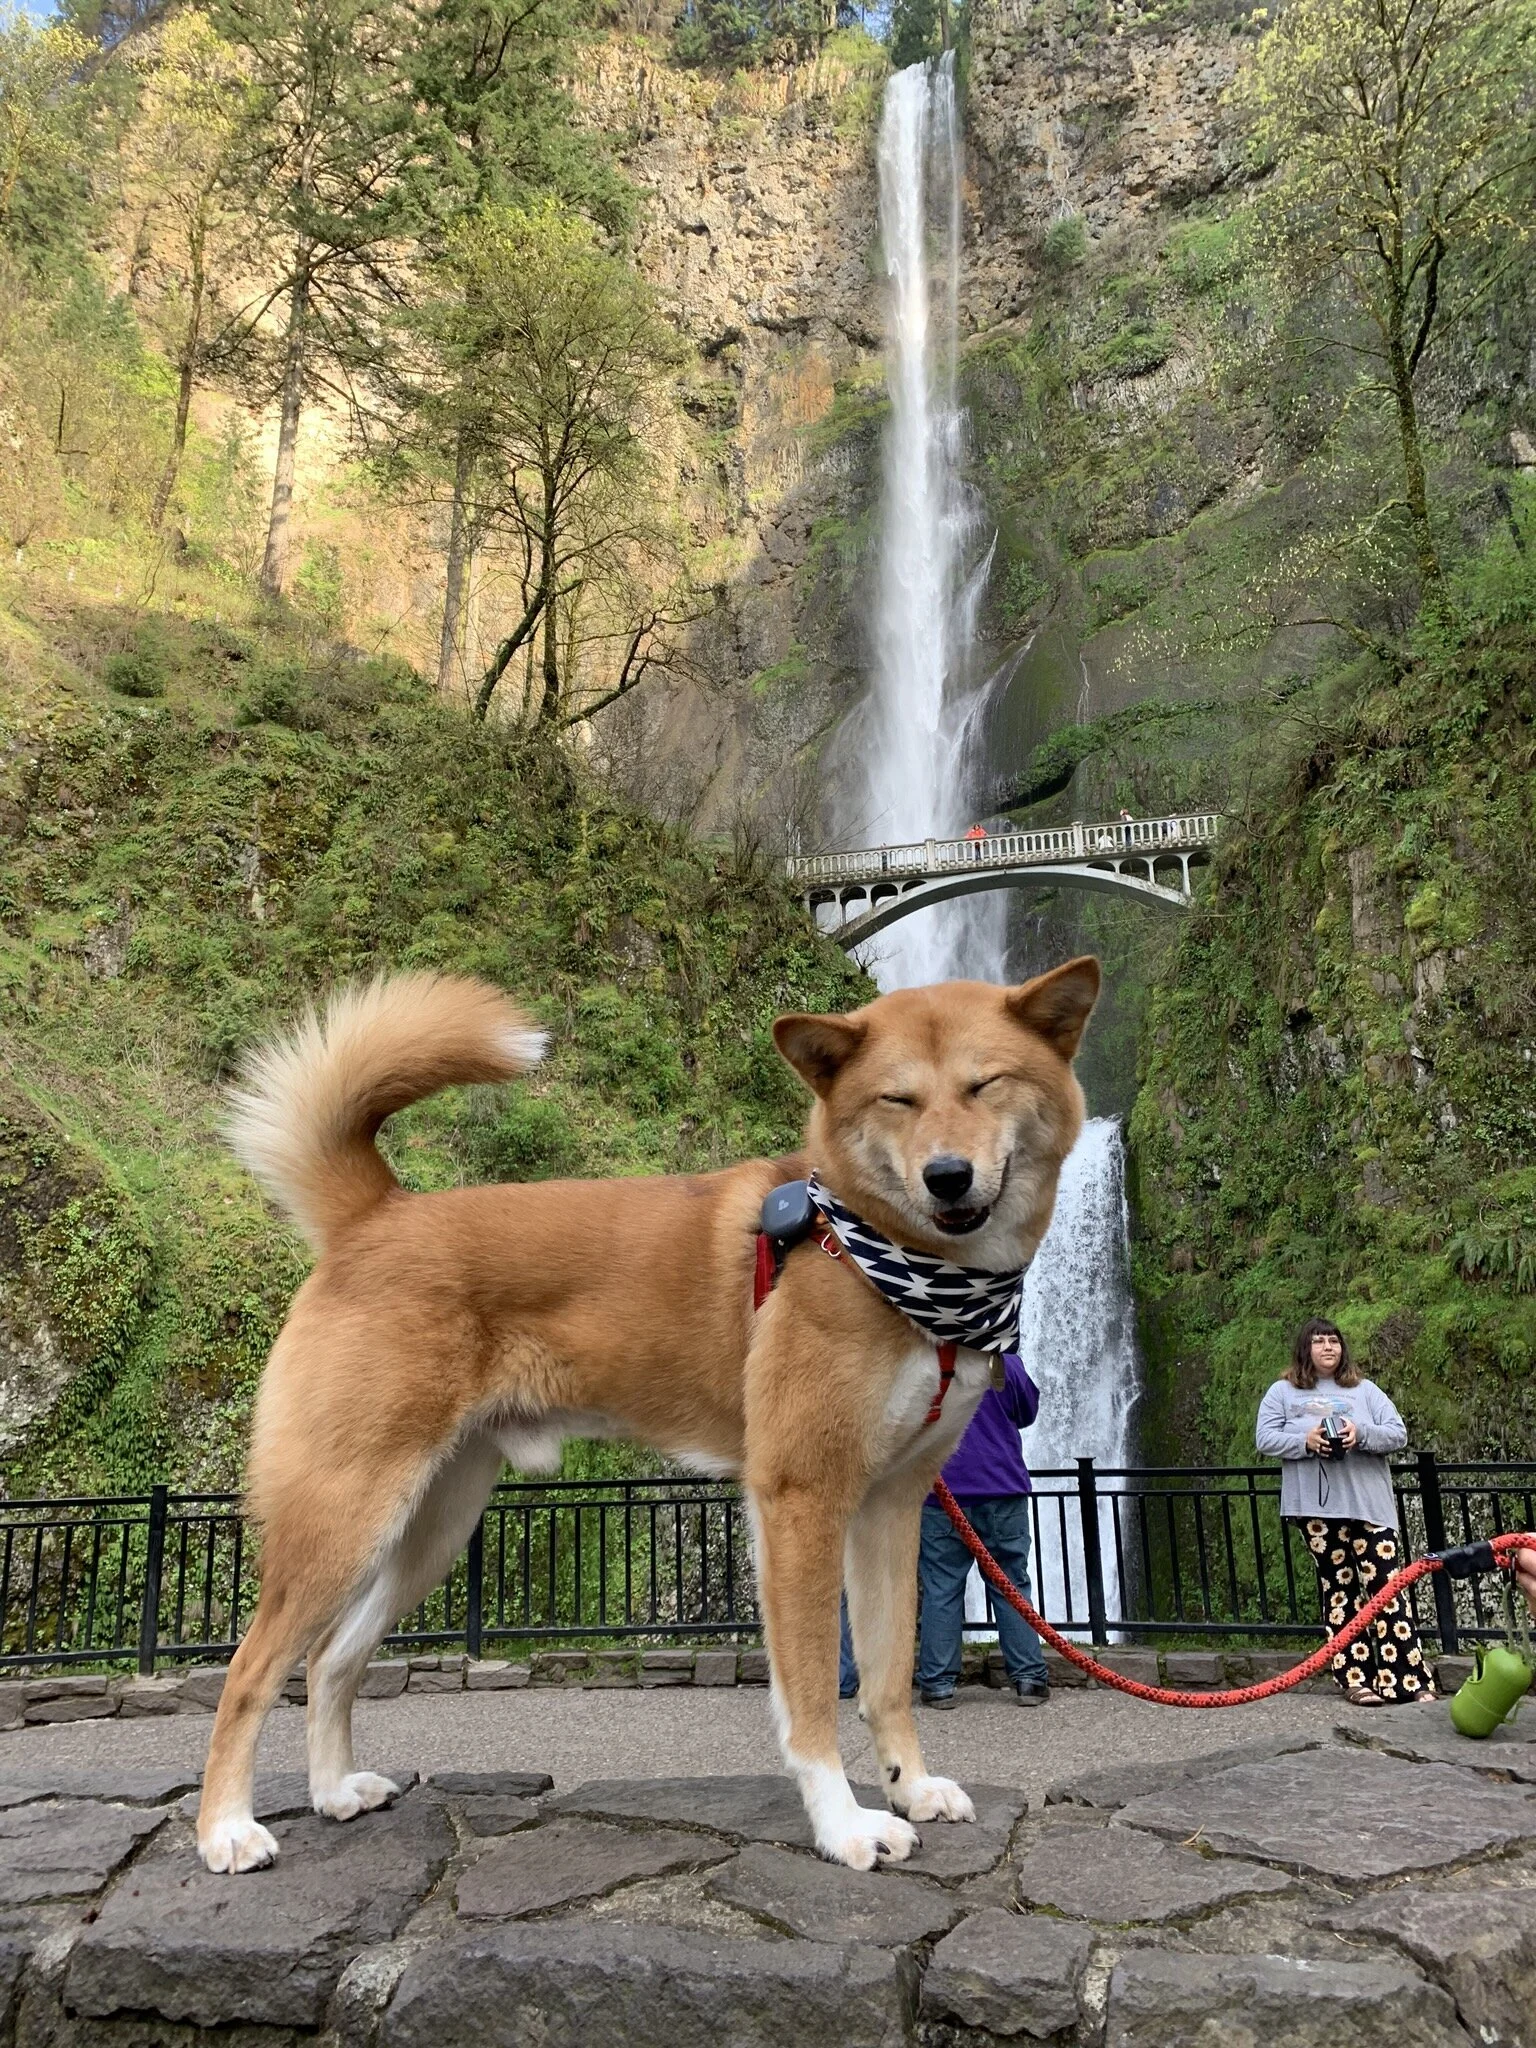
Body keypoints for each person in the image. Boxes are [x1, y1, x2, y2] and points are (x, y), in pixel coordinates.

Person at [1256, 1317, 1434, 1706]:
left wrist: (1360, 1433)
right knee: (1340, 1591)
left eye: (1333, 1340)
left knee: (1387, 1590)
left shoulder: (1366, 1391)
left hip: (1370, 1506)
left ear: (1342, 1348)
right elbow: (1265, 1437)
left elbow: (1398, 1433)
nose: (1327, 1347)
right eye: (1318, 1341)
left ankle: (1409, 1681)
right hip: (1316, 1511)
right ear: (1306, 1349)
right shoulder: (1282, 1392)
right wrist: (1306, 1440)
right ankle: (1356, 1679)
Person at [918, 1352, 1050, 1709]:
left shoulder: (927, 1357)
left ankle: (938, 1683)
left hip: (940, 1493)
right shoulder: (1002, 1359)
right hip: (1001, 1489)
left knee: (941, 1587)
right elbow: (1027, 1411)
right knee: (1010, 1583)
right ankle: (1028, 1679)